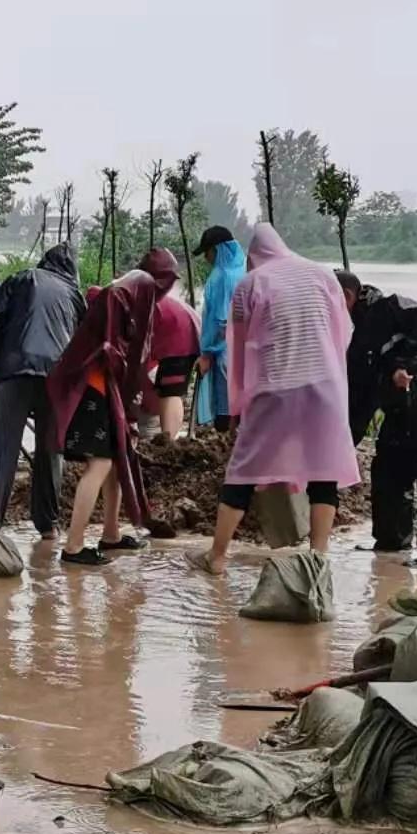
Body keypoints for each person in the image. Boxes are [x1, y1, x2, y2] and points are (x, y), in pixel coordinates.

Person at [203, 223, 359, 574]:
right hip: (325, 389)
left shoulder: (250, 284)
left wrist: (238, 405)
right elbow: (342, 333)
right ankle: (318, 556)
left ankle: (217, 557)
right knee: (324, 471)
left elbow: (238, 349)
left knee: (242, 470)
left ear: (254, 255)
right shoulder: (323, 276)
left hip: (275, 390)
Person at [48, 259, 178, 566]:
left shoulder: (121, 295)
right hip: (94, 389)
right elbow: (119, 355)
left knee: (115, 461)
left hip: (104, 391)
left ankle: (110, 535)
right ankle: (73, 546)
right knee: (101, 463)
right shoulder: (122, 296)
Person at [336, 269, 417, 567]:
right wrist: (344, 447)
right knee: (388, 473)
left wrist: (404, 364)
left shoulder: (390, 308)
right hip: (399, 413)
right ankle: (392, 543)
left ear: (347, 297)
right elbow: (360, 400)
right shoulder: (355, 334)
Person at [0, 243, 86, 535]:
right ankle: (48, 524)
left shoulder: (22, 278)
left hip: (15, 371)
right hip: (57, 378)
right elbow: (81, 342)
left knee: (2, 444)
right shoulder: (75, 295)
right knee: (51, 449)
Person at [140, 248, 200, 442]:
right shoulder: (149, 296)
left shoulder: (145, 298)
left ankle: (168, 441)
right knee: (169, 389)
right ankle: (168, 437)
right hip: (183, 335)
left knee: (170, 390)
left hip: (180, 341)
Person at [195, 227, 247, 430]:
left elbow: (219, 321)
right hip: (244, 348)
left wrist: (207, 353)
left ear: (218, 250)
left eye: (207, 252)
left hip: (223, 350)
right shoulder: (245, 270)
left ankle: (226, 443)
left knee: (224, 403)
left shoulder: (221, 277)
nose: (206, 258)